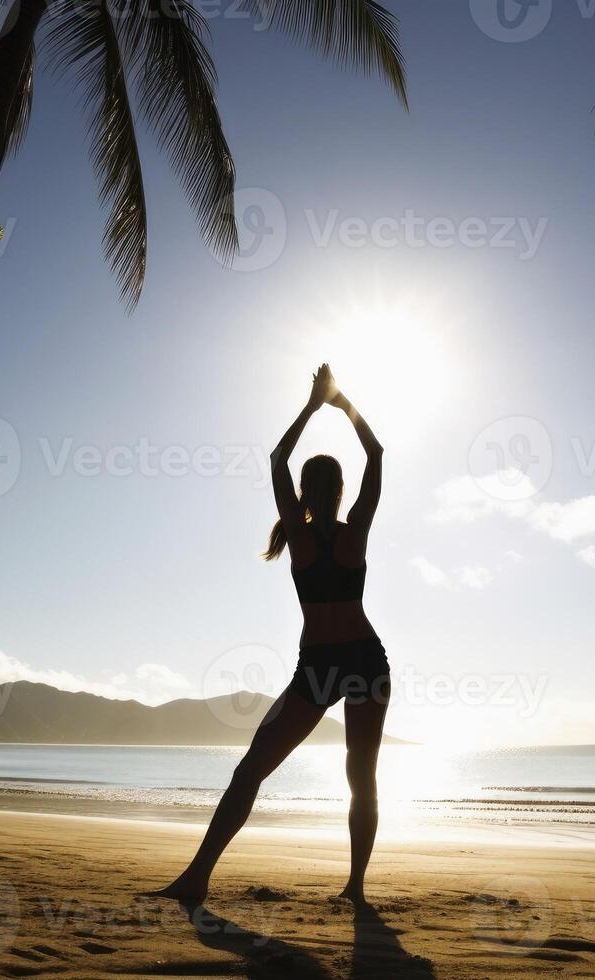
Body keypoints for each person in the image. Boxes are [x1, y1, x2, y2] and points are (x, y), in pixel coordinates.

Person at [153, 364, 389, 907]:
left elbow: (279, 460)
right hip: (358, 661)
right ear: (331, 491)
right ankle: (351, 888)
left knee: (266, 769)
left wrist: (313, 405)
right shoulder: (351, 533)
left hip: (336, 664)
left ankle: (202, 877)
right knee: (352, 775)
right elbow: (374, 454)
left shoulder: (318, 537)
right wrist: (339, 403)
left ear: (308, 492)